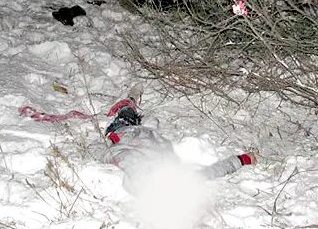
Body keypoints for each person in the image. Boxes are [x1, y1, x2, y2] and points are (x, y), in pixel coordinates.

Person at [99, 83, 257, 194]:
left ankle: (129, 101)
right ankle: (133, 105)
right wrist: (241, 160)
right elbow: (211, 172)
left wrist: (114, 138)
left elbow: (107, 153)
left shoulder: (131, 165)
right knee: (152, 119)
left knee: (127, 113)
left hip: (125, 131)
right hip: (152, 134)